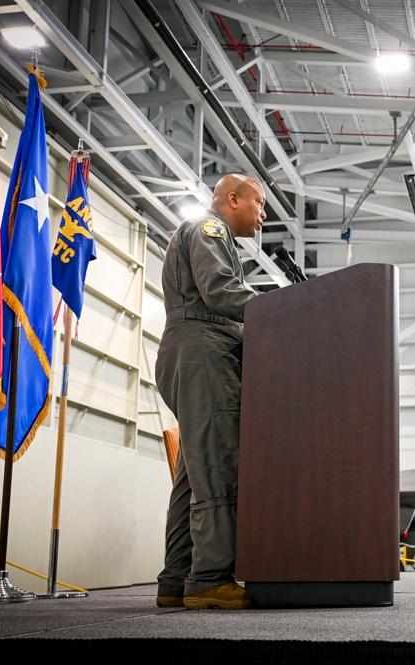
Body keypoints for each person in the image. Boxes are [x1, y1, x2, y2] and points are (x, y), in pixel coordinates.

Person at [154, 173, 267, 610]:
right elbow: (220, 291)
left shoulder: (207, 233)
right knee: (218, 464)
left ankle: (175, 579)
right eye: (259, 205)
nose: (262, 216)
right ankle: (209, 579)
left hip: (191, 351)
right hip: (204, 350)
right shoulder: (210, 227)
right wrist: (278, 310)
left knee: (193, 473)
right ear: (233, 199)